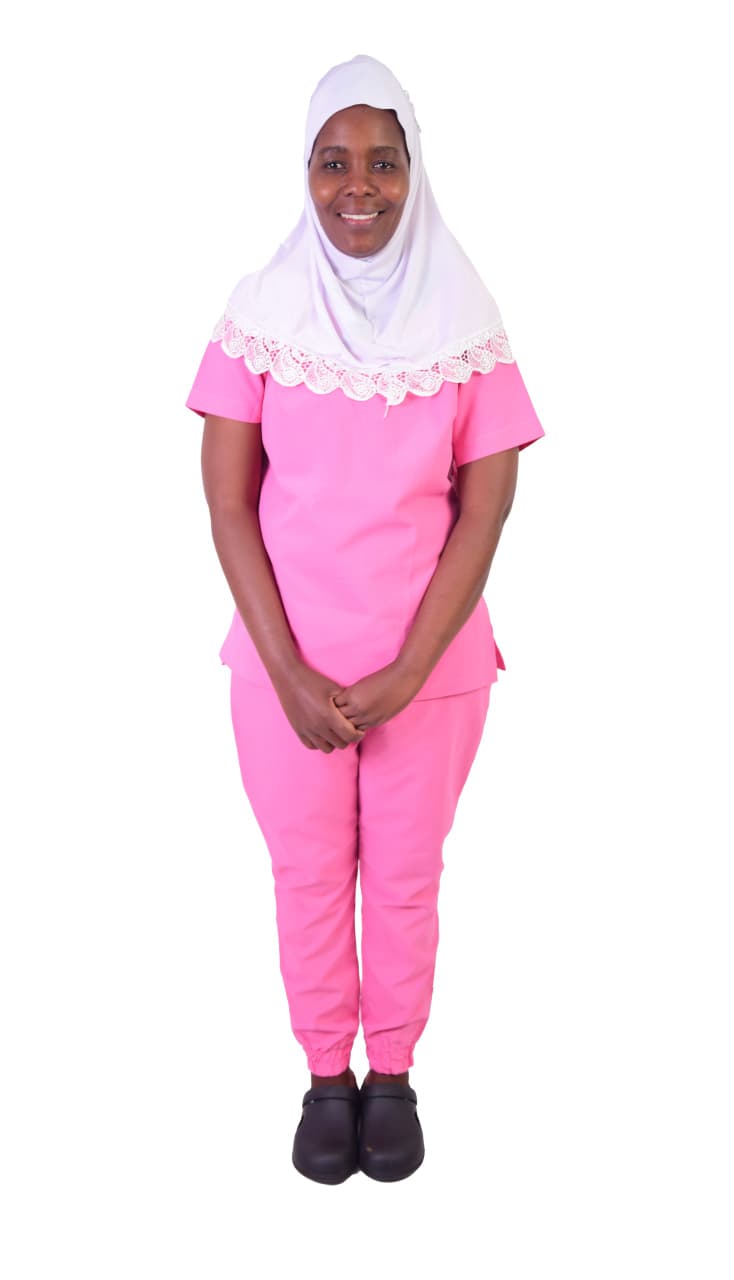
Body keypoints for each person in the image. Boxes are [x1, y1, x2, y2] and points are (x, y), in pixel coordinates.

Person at [185, 53, 545, 1185]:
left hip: (427, 673)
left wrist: (405, 671)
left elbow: (485, 507)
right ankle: (323, 1077)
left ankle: (390, 1073)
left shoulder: (466, 323)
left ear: (414, 171)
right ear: (303, 172)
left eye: (383, 162)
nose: (359, 186)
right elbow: (227, 503)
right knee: (305, 875)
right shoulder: (259, 316)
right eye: (334, 161)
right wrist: (291, 672)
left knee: (402, 875)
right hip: (283, 671)